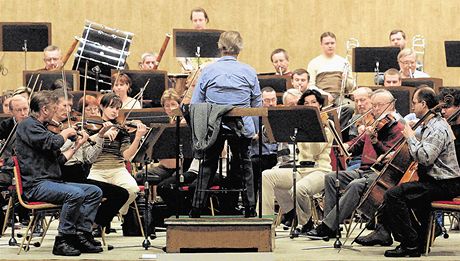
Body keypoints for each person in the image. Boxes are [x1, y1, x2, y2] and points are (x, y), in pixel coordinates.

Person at [306, 90, 405, 239]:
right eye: (374, 105)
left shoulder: (398, 128)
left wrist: (375, 141)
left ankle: (326, 227)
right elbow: (356, 144)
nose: (375, 109)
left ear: (390, 105)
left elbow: (391, 157)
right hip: (364, 170)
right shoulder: (374, 125)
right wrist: (345, 146)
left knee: (355, 185)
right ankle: (333, 226)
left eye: (378, 105)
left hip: (381, 174)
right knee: (331, 178)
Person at [15, 91, 103, 256]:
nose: (57, 112)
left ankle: (81, 234)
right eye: (54, 108)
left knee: (94, 192)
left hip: (51, 182)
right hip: (36, 185)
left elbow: (60, 159)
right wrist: (66, 133)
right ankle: (63, 239)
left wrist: (77, 144)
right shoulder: (28, 125)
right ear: (45, 110)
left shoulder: (41, 128)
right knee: (75, 194)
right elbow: (53, 143)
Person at [190, 30, 262, 218]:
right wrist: (253, 130)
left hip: (214, 127)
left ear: (220, 47)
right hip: (242, 126)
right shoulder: (249, 71)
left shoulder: (208, 70)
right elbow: (257, 105)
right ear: (240, 49)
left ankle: (197, 207)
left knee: (207, 164)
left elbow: (196, 103)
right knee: (245, 163)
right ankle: (250, 208)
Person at [382, 87, 460, 257]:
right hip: (434, 181)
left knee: (393, 195)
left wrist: (410, 136)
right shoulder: (429, 125)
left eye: (415, 103)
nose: (412, 107)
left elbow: (425, 158)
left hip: (445, 184)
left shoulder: (438, 128)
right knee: (407, 195)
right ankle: (417, 241)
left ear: (424, 104)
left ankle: (409, 244)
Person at [51, 89, 129, 236]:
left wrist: (98, 137)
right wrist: (74, 138)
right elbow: (58, 154)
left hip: (80, 175)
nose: (69, 110)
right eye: (65, 106)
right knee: (94, 193)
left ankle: (92, 225)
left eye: (70, 106)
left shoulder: (77, 126)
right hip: (63, 176)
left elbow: (89, 158)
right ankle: (83, 229)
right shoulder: (54, 130)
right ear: (53, 106)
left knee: (121, 193)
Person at [262, 89, 333, 233]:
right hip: (301, 169)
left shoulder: (328, 124)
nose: (310, 105)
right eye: (306, 103)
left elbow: (315, 152)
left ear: (320, 105)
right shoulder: (299, 124)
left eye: (314, 102)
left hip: (320, 170)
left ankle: (305, 223)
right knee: (267, 176)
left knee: (298, 189)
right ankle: (266, 222)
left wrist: (315, 128)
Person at [87, 93, 147, 216]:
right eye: (111, 107)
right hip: (96, 169)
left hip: (117, 169)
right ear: (102, 107)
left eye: (118, 108)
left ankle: (116, 212)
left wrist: (137, 138)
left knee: (132, 189)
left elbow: (126, 156)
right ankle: (101, 220)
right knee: (93, 193)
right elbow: (85, 145)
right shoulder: (92, 126)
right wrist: (101, 134)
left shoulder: (121, 130)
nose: (115, 111)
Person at [307, 32, 355, 129]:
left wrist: (345, 79)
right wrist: (324, 94)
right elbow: (310, 85)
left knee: (351, 107)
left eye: (332, 43)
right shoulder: (314, 63)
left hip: (339, 97)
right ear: (321, 45)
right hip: (322, 97)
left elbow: (351, 87)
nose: (330, 46)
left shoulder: (344, 62)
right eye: (327, 43)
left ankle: (337, 134)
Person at [250, 87, 279, 198]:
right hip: (259, 154)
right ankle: (253, 205)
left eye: (273, 100)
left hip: (276, 154)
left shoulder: (281, 115)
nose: (271, 103)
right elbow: (252, 137)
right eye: (267, 100)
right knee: (254, 164)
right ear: (261, 101)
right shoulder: (253, 115)